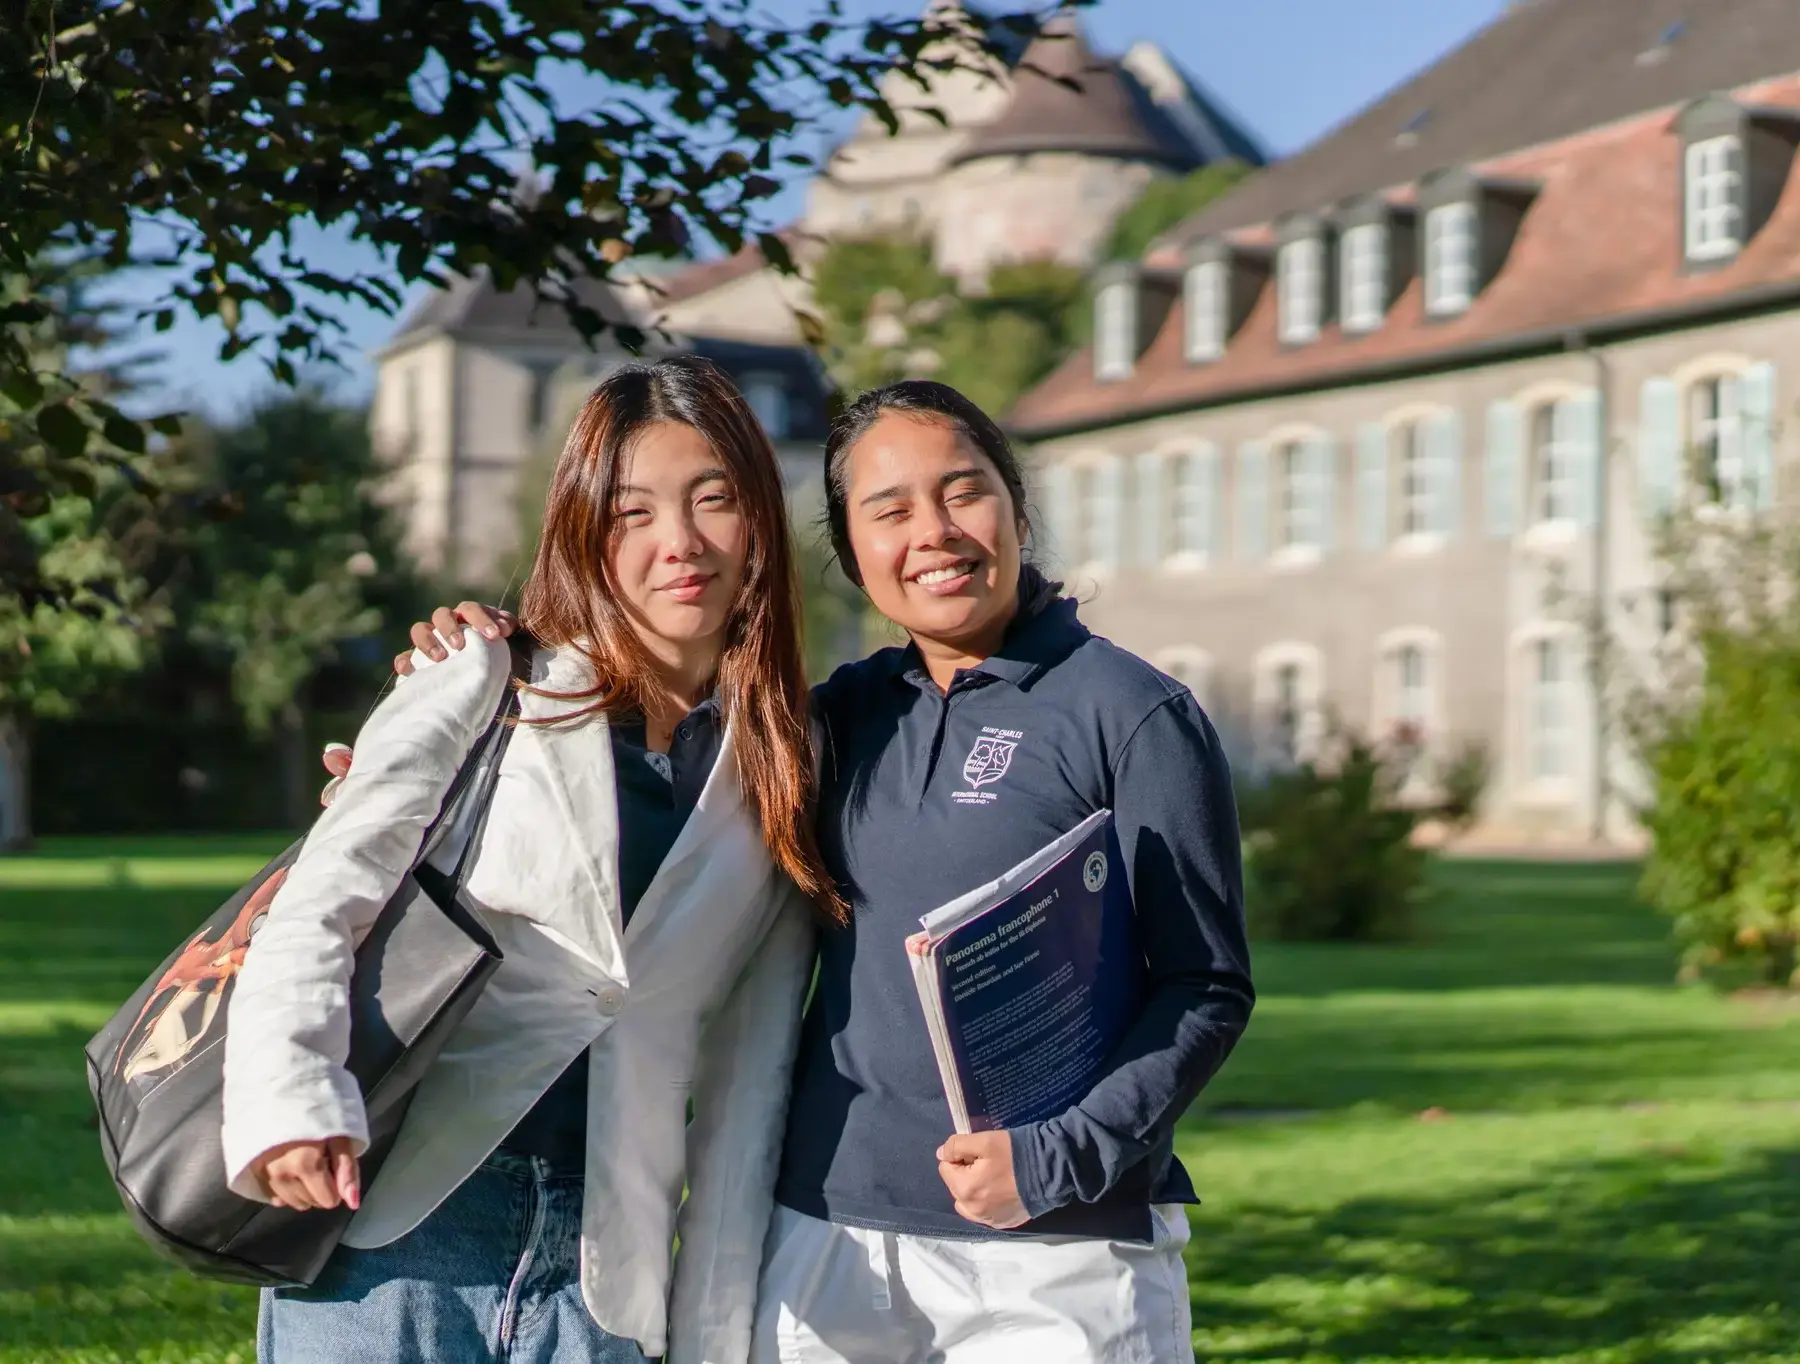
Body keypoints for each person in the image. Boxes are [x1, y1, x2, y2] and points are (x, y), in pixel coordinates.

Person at [377, 381, 1252, 1362]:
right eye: (890, 510)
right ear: (850, 551)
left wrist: (1059, 1157)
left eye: (964, 492)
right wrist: (464, 693)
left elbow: (1205, 985)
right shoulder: (827, 721)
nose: (935, 530)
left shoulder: (1133, 712)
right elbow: (639, 748)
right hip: (823, 1231)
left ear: (1016, 504)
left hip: (1053, 1236)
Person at [225, 357, 835, 1364]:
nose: (678, 542)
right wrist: (293, 1101)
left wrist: (714, 1331)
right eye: (632, 511)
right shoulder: (483, 679)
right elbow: (322, 900)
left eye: (714, 500)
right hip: (403, 1227)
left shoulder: (785, 765)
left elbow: (749, 1078)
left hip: (609, 1275)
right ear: (586, 531)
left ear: (762, 522)